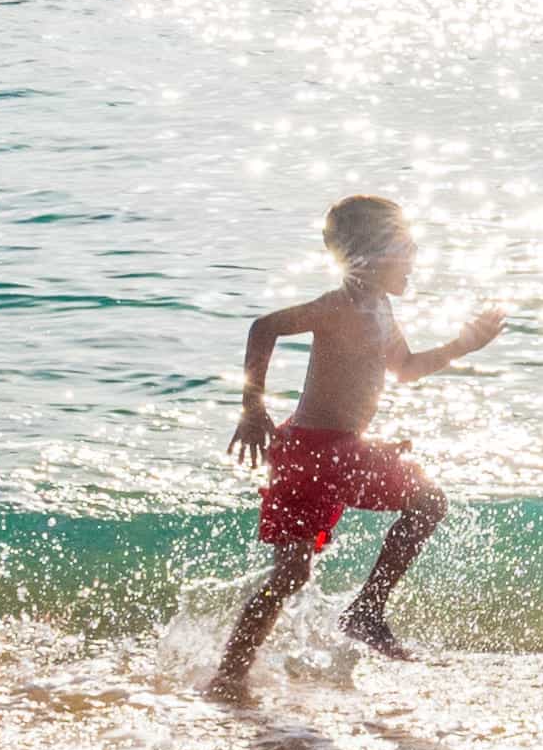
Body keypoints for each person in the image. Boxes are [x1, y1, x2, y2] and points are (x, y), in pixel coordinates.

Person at [213, 194, 503, 699]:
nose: (413, 258)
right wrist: (251, 408)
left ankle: (229, 676)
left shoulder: (377, 308)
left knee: (290, 574)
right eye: (405, 247)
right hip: (327, 451)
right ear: (372, 254)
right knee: (429, 502)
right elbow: (264, 326)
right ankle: (366, 611)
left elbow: (406, 368)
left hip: (307, 449)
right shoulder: (342, 304)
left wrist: (462, 345)